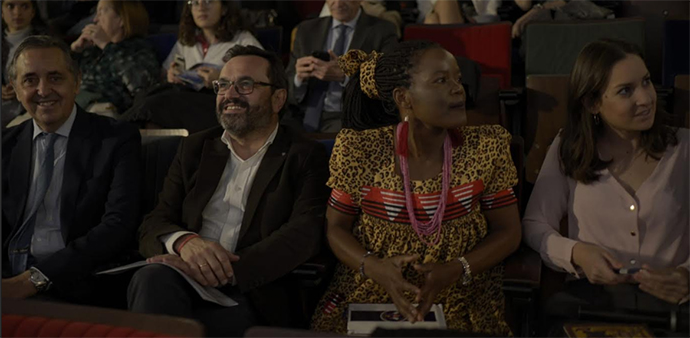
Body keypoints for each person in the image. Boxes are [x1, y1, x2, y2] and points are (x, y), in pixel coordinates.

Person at [310, 40, 522, 335]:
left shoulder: (485, 147)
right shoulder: (360, 150)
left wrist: (456, 268)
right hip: (371, 288)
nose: (458, 88)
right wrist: (375, 267)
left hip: (460, 292)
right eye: (441, 80)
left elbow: (509, 231)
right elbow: (336, 228)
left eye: (458, 79)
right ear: (404, 98)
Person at [128, 45, 330, 337]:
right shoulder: (195, 148)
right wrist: (184, 243)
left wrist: (223, 270)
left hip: (252, 293)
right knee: (151, 279)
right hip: (182, 281)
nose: (230, 94)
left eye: (246, 85)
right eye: (223, 84)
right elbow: (154, 222)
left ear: (278, 98)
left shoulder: (304, 155)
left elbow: (305, 233)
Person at [523, 39, 688, 333]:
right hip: (593, 305)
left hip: (675, 307)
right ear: (592, 103)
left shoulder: (684, 148)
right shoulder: (568, 149)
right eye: (626, 91)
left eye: (647, 82)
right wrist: (577, 254)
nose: (646, 98)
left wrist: (687, 277)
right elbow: (535, 223)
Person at [1, 35, 141, 306]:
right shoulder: (4, 145)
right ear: (16, 90)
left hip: (77, 281)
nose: (43, 90)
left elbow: (118, 225)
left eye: (55, 78)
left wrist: (34, 280)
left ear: (76, 82)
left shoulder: (116, 138)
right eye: (30, 80)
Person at [122, 0, 263, 133]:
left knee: (157, 103)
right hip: (183, 102)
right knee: (146, 98)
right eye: (194, 2)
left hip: (216, 104)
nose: (201, 7)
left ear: (224, 8)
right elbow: (165, 72)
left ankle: (119, 127)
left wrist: (220, 80)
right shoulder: (186, 41)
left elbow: (260, 77)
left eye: (208, 1)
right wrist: (170, 74)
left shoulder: (243, 39)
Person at [286, 0, 398, 133]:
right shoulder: (306, 30)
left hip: (352, 116)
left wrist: (345, 76)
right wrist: (299, 79)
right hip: (302, 114)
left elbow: (388, 82)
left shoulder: (383, 31)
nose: (338, 3)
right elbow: (286, 81)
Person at [70, 0, 159, 114]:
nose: (95, 19)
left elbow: (141, 85)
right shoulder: (91, 50)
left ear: (122, 18)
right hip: (77, 104)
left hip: (108, 112)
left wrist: (107, 45)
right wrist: (74, 51)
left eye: (102, 12)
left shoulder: (138, 48)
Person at [2, 0, 48, 129]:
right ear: (1, 11)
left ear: (33, 12)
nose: (17, 12)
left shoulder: (45, 43)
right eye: (11, 6)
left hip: (29, 105)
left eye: (24, 6)